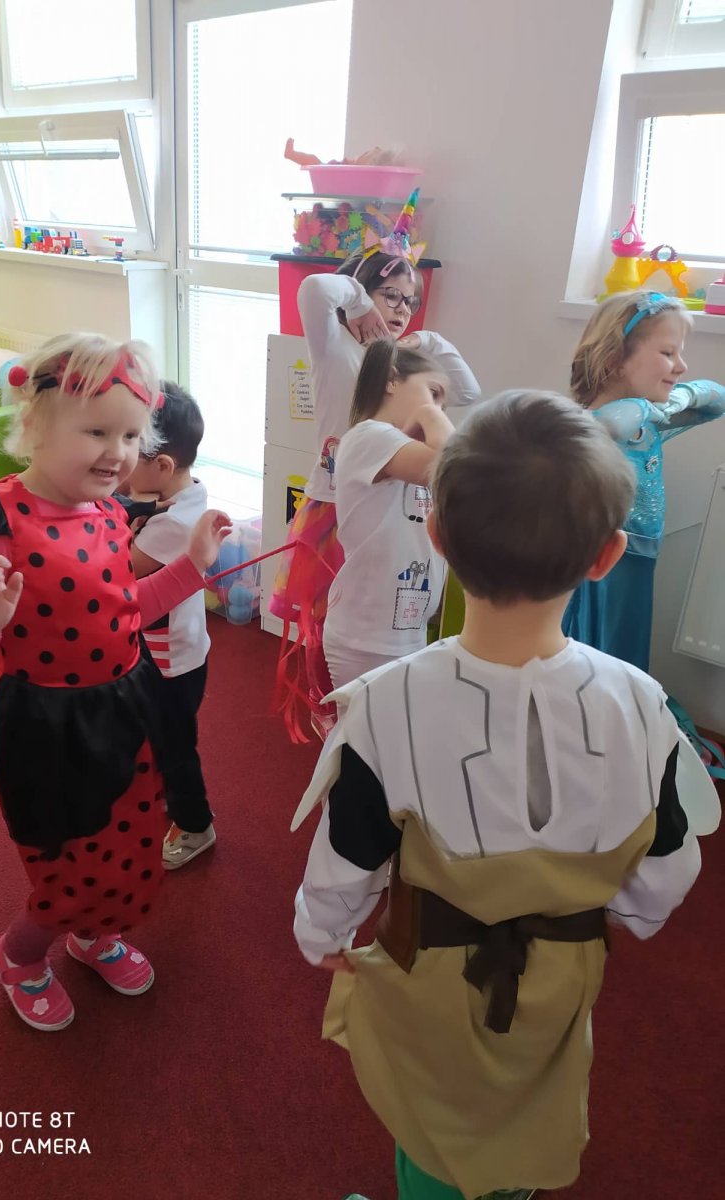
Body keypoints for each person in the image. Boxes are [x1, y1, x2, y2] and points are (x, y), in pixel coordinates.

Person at [293, 391, 701, 1200]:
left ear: (438, 537)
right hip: (564, 969)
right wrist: (622, 916)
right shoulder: (644, 705)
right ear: (607, 556)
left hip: (430, 975)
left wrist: (321, 934)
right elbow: (668, 863)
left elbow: (347, 858)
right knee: (529, 1098)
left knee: (438, 1119)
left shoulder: (387, 705)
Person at [0, 333, 230, 1032]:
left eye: (130, 436)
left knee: (127, 849)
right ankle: (20, 956)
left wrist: (194, 566)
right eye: (96, 432)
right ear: (34, 425)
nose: (118, 453)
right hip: (41, 726)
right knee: (66, 868)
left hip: (124, 708)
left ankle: (93, 935)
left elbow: (126, 608)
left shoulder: (110, 512)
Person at [270, 191, 480, 741]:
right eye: (392, 294)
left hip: (390, 498)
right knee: (328, 618)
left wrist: (428, 338)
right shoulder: (336, 346)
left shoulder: (402, 367)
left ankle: (359, 704)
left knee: (382, 602)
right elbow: (315, 289)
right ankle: (329, 704)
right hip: (334, 503)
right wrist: (361, 301)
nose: (401, 308)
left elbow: (467, 391)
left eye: (410, 300)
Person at [564, 289, 725, 672]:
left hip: (640, 559)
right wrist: (644, 405)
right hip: (600, 565)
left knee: (625, 658)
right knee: (594, 660)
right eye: (668, 353)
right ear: (615, 359)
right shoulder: (589, 426)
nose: (681, 366)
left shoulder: (651, 423)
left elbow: (718, 400)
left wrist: (681, 398)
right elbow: (613, 423)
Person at [322, 338, 453, 689]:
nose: (439, 409)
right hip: (366, 636)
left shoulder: (402, 449)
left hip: (405, 630)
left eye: (442, 403)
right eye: (433, 392)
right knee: (365, 724)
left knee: (395, 723)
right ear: (392, 380)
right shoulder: (370, 436)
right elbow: (455, 467)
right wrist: (429, 414)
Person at [125, 382, 216, 870]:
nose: (118, 460)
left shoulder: (173, 525)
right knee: (162, 734)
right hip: (176, 650)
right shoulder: (186, 496)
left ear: (161, 466)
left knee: (177, 745)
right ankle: (167, 790)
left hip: (170, 660)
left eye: (128, 447)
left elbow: (121, 569)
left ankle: (196, 824)